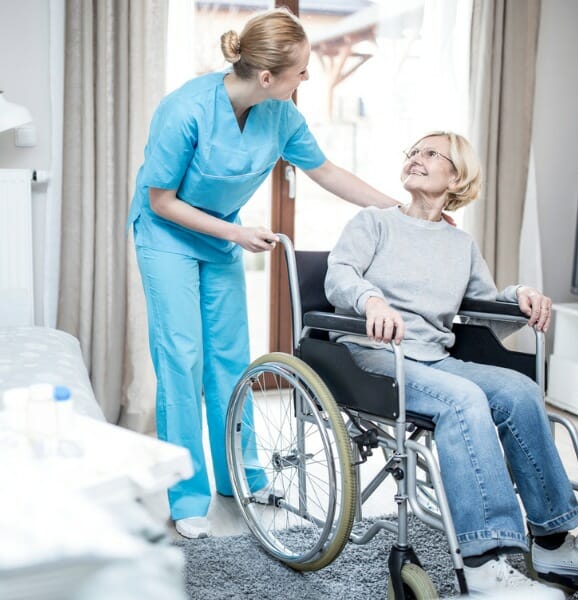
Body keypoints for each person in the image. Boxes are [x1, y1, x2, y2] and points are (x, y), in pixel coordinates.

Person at [324, 131, 578, 597]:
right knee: (464, 400)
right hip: (371, 357)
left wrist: (519, 296)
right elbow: (340, 275)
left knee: (519, 391)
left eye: (432, 154)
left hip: (434, 358)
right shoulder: (373, 223)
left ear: (457, 176)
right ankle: (483, 565)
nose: (417, 157)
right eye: (413, 151)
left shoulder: (460, 244)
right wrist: (371, 300)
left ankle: (554, 542)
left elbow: (482, 308)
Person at [128, 7, 398, 540]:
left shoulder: (283, 116)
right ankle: (187, 494)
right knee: (182, 359)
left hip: (221, 236)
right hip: (167, 237)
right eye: (301, 70)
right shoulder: (184, 110)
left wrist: (397, 212)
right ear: (268, 76)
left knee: (230, 358)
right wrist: (235, 234)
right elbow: (161, 201)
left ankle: (242, 475)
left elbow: (327, 172)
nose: (308, 78)